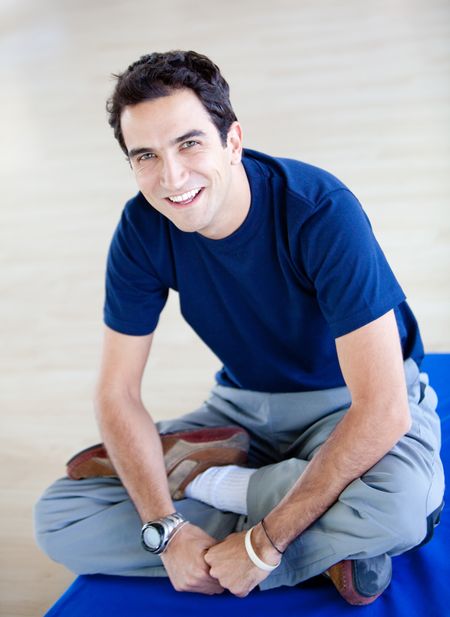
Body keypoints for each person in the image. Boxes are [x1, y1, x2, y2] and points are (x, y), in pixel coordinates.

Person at [34, 50, 445, 606]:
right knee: (58, 517)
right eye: (146, 156)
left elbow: (383, 410)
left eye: (189, 143)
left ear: (232, 141)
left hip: (345, 405)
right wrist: (166, 529)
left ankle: (212, 483)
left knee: (400, 500)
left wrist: (263, 545)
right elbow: (117, 392)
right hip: (239, 408)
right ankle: (329, 546)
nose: (171, 177)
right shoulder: (141, 228)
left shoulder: (320, 210)